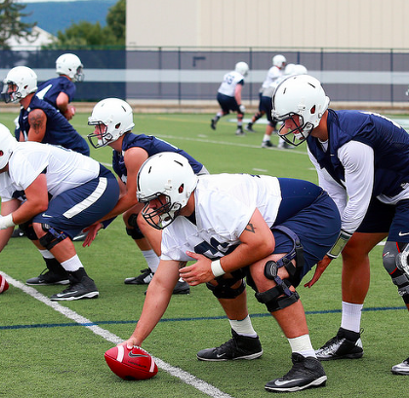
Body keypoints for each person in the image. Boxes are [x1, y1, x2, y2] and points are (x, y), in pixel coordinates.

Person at [271, 74, 409, 376]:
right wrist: (322, 245)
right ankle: (349, 338)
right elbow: (334, 197)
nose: (287, 127)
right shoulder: (317, 140)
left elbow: (356, 205)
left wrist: (328, 254)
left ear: (313, 111)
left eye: (292, 119)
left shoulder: (351, 142)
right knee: (353, 249)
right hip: (389, 188)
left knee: (396, 260)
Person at [122, 152, 341, 392]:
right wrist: (136, 340)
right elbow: (161, 284)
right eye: (148, 201)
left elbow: (262, 244)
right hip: (267, 227)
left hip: (313, 212)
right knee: (217, 270)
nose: (152, 208)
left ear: (181, 189)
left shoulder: (214, 199)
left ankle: (308, 363)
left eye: (157, 199)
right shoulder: (177, 220)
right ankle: (245, 341)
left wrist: (214, 267)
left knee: (266, 272)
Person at [0, 122, 119, 301]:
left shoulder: (22, 158)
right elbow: (8, 223)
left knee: (45, 224)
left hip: (98, 184)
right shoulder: (4, 174)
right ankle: (58, 271)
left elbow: (39, 204)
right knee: (26, 221)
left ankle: (82, 282)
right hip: (79, 189)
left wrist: (2, 221)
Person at [84, 97, 208, 294]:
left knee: (144, 219)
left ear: (117, 125)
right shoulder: (121, 152)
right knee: (131, 218)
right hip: (172, 187)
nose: (97, 131)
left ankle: (175, 277)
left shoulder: (133, 151)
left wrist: (100, 218)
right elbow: (126, 194)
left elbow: (132, 197)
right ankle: (156, 269)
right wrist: (103, 222)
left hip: (194, 186)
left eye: (100, 126)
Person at [4, 66, 90, 157]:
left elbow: (29, 151)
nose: (9, 91)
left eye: (12, 87)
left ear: (25, 87)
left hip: (76, 153)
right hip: (59, 154)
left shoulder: (37, 113)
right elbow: (21, 146)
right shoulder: (25, 110)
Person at [246, 54, 287, 139]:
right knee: (264, 111)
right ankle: (250, 124)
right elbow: (279, 78)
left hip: (269, 92)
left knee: (265, 111)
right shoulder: (274, 70)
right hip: (266, 92)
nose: (283, 65)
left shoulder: (278, 71)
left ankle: (251, 124)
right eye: (282, 63)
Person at [34, 53, 84, 121]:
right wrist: (66, 110)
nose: (78, 72)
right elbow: (61, 101)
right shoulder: (68, 84)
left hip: (27, 116)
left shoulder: (48, 82)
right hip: (40, 118)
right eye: (78, 69)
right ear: (70, 69)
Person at [210, 62, 249, 135]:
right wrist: (239, 104)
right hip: (228, 96)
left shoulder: (228, 74)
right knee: (240, 111)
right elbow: (237, 92)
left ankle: (217, 117)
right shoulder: (240, 78)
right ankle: (239, 129)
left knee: (225, 110)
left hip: (219, 95)